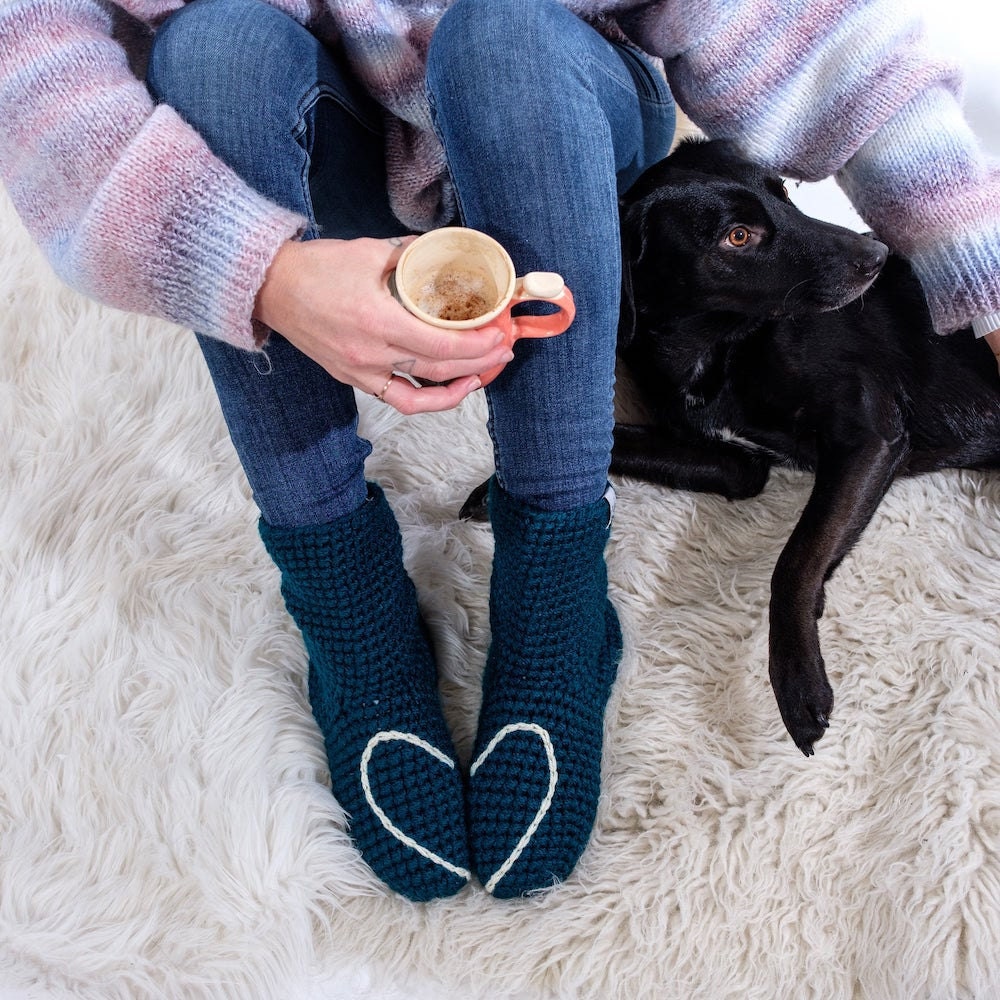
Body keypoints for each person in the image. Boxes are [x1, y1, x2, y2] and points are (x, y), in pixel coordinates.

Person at [1, 0, 997, 903]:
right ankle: (344, 596)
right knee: (209, 48)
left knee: (505, 33)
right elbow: (31, 59)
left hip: (561, 117)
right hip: (331, 151)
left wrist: (978, 264)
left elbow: (803, 33)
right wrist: (264, 274)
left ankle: (556, 588)